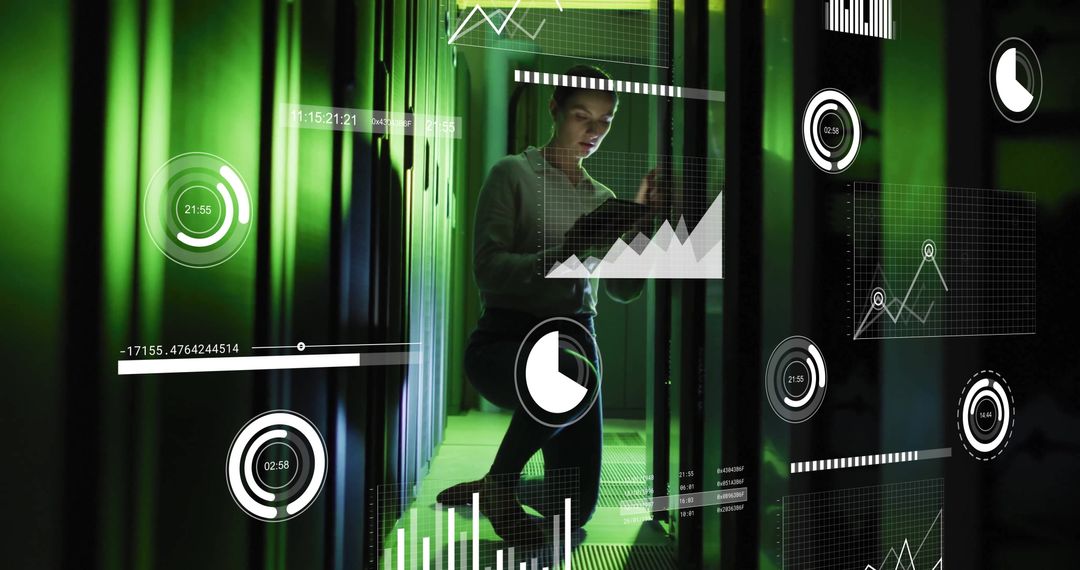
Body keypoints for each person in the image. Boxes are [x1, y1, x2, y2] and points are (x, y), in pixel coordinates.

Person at [438, 64, 663, 544]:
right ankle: (501, 484)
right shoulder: (512, 175)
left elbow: (623, 290)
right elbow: (488, 270)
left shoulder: (602, 198)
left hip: (577, 348)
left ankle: (493, 487)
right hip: (508, 342)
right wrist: (565, 253)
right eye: (583, 116)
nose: (594, 132)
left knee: (574, 512)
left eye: (605, 121)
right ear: (555, 109)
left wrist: (642, 224)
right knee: (572, 369)